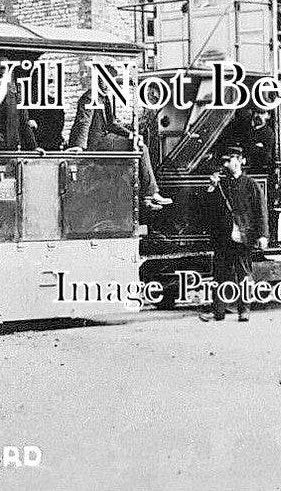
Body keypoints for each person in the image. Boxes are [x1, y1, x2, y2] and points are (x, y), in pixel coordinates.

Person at [67, 76, 173, 210]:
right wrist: (79, 146)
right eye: (106, 81)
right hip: (95, 144)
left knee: (138, 145)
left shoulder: (103, 97)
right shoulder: (90, 97)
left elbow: (111, 123)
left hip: (104, 138)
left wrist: (131, 135)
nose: (108, 85)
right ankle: (151, 193)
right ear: (98, 81)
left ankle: (147, 196)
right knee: (140, 148)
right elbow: (84, 121)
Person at [198, 146, 267, 323]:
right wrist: (212, 189)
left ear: (241, 161)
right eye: (228, 160)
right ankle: (218, 312)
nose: (230, 163)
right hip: (224, 237)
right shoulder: (221, 184)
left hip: (243, 236)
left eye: (234, 159)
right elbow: (209, 210)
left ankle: (244, 310)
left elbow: (261, 211)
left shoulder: (251, 184)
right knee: (220, 275)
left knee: (244, 274)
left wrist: (263, 235)